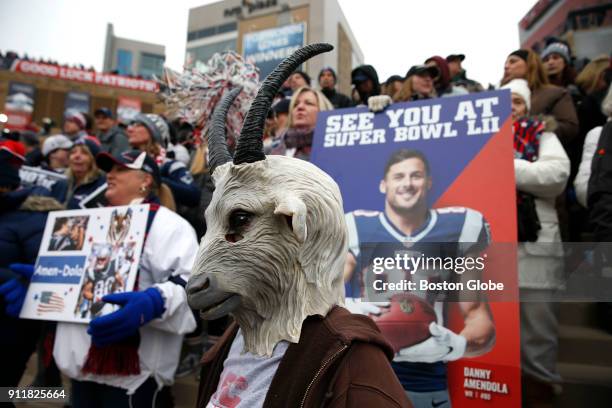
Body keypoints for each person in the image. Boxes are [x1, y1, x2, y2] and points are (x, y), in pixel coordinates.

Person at [344, 149, 495, 408]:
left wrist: (455, 346)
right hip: (365, 374)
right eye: (399, 176)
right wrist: (345, 306)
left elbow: (478, 316)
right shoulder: (356, 228)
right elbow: (320, 296)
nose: (407, 183)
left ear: (428, 182)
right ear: (384, 185)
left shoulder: (459, 228)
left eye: (416, 176)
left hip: (427, 382)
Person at [53, 149, 198, 407]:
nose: (110, 175)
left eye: (121, 169)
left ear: (146, 180)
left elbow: (192, 285)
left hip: (134, 379)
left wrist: (155, 301)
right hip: (81, 369)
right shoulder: (87, 222)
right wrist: (43, 284)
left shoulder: (169, 225)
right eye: (109, 169)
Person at [501, 78, 570, 407]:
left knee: (537, 333)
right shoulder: (479, 138)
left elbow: (556, 175)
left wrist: (503, 164)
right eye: (505, 101)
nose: (510, 108)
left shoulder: (544, 134)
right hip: (491, 250)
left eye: (516, 101)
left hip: (534, 247)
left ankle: (540, 393)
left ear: (527, 107)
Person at [0, 139, 64, 388]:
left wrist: (27, 283)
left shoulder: (32, 218)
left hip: (11, 330)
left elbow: (52, 274)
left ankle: (53, 393)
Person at [501, 49, 579, 149]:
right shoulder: (497, 97)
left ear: (530, 64)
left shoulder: (555, 93)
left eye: (513, 61)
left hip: (541, 155)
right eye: (506, 63)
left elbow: (569, 127)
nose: (506, 66)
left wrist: (533, 127)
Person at [127, 113, 200, 207]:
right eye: (131, 125)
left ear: (154, 132)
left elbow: (194, 195)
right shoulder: (124, 162)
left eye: (138, 125)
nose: (130, 129)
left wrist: (156, 179)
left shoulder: (170, 166)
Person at [270, 86, 333, 161]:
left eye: (308, 103)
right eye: (295, 104)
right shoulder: (273, 148)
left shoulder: (335, 148)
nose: (299, 107)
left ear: (323, 110)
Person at [63, 138, 106, 209]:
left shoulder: (102, 186)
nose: (76, 156)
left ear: (94, 160)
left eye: (84, 153)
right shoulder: (62, 182)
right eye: (73, 152)